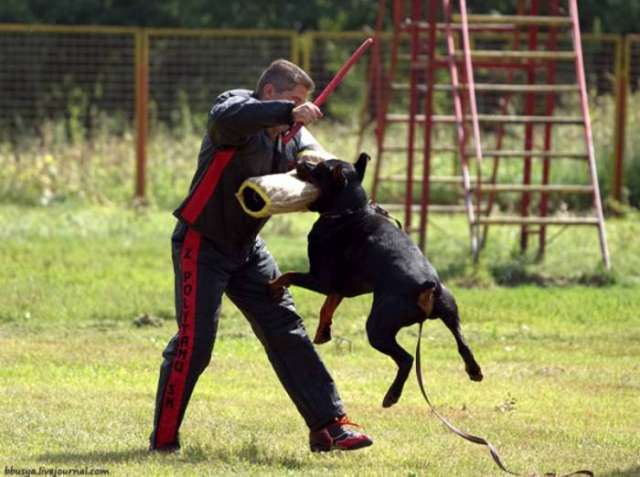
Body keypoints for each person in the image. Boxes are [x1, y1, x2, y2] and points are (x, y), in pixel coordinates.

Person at [149, 59, 373, 453]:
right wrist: (289, 112)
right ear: (270, 93)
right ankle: (164, 440)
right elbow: (227, 116)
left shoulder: (291, 137)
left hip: (248, 250)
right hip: (201, 245)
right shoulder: (235, 111)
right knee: (195, 343)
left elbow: (321, 159)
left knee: (286, 328)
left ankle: (329, 426)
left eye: (304, 103)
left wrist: (347, 185)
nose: (300, 111)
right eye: (294, 101)